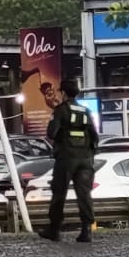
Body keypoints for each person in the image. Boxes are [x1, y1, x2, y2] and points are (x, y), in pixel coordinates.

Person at [39, 78, 98, 243]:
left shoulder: (61, 110)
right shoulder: (85, 111)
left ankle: (54, 229)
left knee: (59, 192)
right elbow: (94, 136)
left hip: (66, 158)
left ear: (63, 93)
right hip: (85, 160)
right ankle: (86, 230)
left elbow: (51, 133)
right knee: (84, 194)